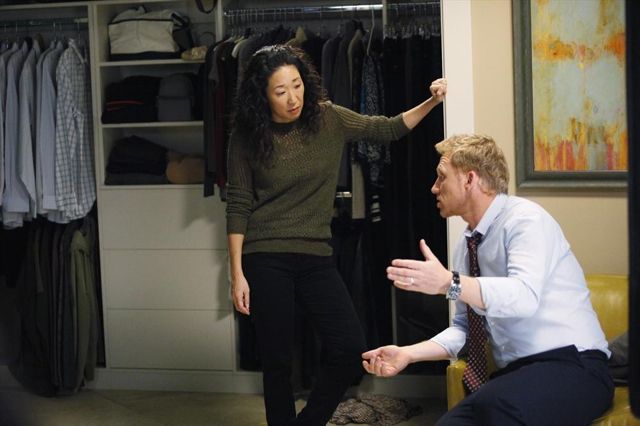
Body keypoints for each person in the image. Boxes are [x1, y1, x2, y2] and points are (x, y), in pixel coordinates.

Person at [225, 44, 446, 426]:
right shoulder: (246, 136)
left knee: (348, 347)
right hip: (265, 255)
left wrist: (432, 101)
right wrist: (237, 273)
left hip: (315, 255)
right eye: (281, 91)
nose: (293, 98)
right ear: (262, 95)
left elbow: (387, 128)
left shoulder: (328, 119)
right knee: (277, 360)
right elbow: (238, 204)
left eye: (297, 85)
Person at [362, 134, 614, 425]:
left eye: (442, 177)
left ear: (470, 179)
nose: (434, 187)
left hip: (577, 366)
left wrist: (450, 283)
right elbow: (467, 330)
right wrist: (408, 354)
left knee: (494, 406)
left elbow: (524, 296)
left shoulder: (526, 220)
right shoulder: (466, 246)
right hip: (518, 375)